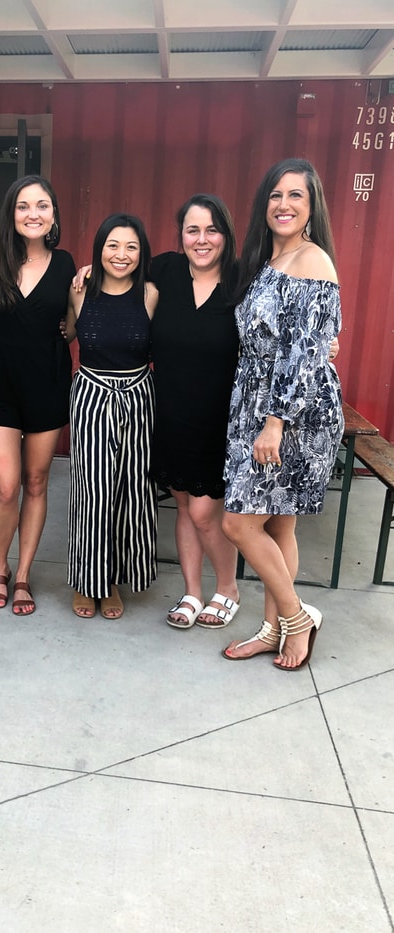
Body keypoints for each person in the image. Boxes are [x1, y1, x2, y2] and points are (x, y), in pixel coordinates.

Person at [222, 158, 343, 671]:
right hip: (256, 403)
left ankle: (296, 619)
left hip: (291, 414)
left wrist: (276, 421)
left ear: (312, 206)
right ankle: (273, 630)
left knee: (239, 524)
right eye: (276, 195)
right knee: (279, 528)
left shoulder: (312, 261)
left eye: (296, 195)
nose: (284, 204)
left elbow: (305, 351)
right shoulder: (266, 261)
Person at [0, 174, 75, 616]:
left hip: (48, 381)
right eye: (23, 206)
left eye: (42, 206)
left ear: (53, 214)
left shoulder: (68, 263)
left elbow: (75, 321)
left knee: (36, 482)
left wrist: (57, 336)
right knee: (7, 484)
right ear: (11, 214)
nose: (33, 214)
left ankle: (23, 575)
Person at [150, 195, 242, 630]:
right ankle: (191, 591)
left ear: (225, 234)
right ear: (180, 235)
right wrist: (89, 270)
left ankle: (228, 588)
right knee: (184, 505)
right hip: (169, 412)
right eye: (192, 230)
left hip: (220, 419)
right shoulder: (164, 270)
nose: (201, 240)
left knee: (207, 513)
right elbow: (118, 270)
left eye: (211, 230)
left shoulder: (245, 279)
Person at [66, 214, 158, 619]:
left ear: (143, 254)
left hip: (139, 395)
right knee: (93, 491)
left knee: (131, 491)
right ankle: (90, 580)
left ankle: (114, 578)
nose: (121, 255)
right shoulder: (80, 290)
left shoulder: (153, 293)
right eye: (113, 246)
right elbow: (62, 333)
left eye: (131, 247)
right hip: (91, 394)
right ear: (99, 249)